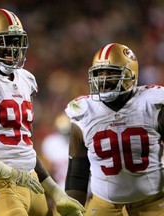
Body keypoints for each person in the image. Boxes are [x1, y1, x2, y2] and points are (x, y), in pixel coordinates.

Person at [0, 8, 85, 216]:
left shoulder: (24, 79)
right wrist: (8, 172)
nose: (13, 48)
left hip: (31, 184)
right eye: (5, 42)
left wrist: (56, 192)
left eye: (16, 41)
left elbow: (23, 149)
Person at [65, 43, 164, 216]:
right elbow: (78, 172)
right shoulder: (83, 112)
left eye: (111, 72)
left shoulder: (153, 105)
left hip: (153, 202)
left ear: (130, 75)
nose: (103, 79)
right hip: (103, 205)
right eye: (98, 73)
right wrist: (70, 210)